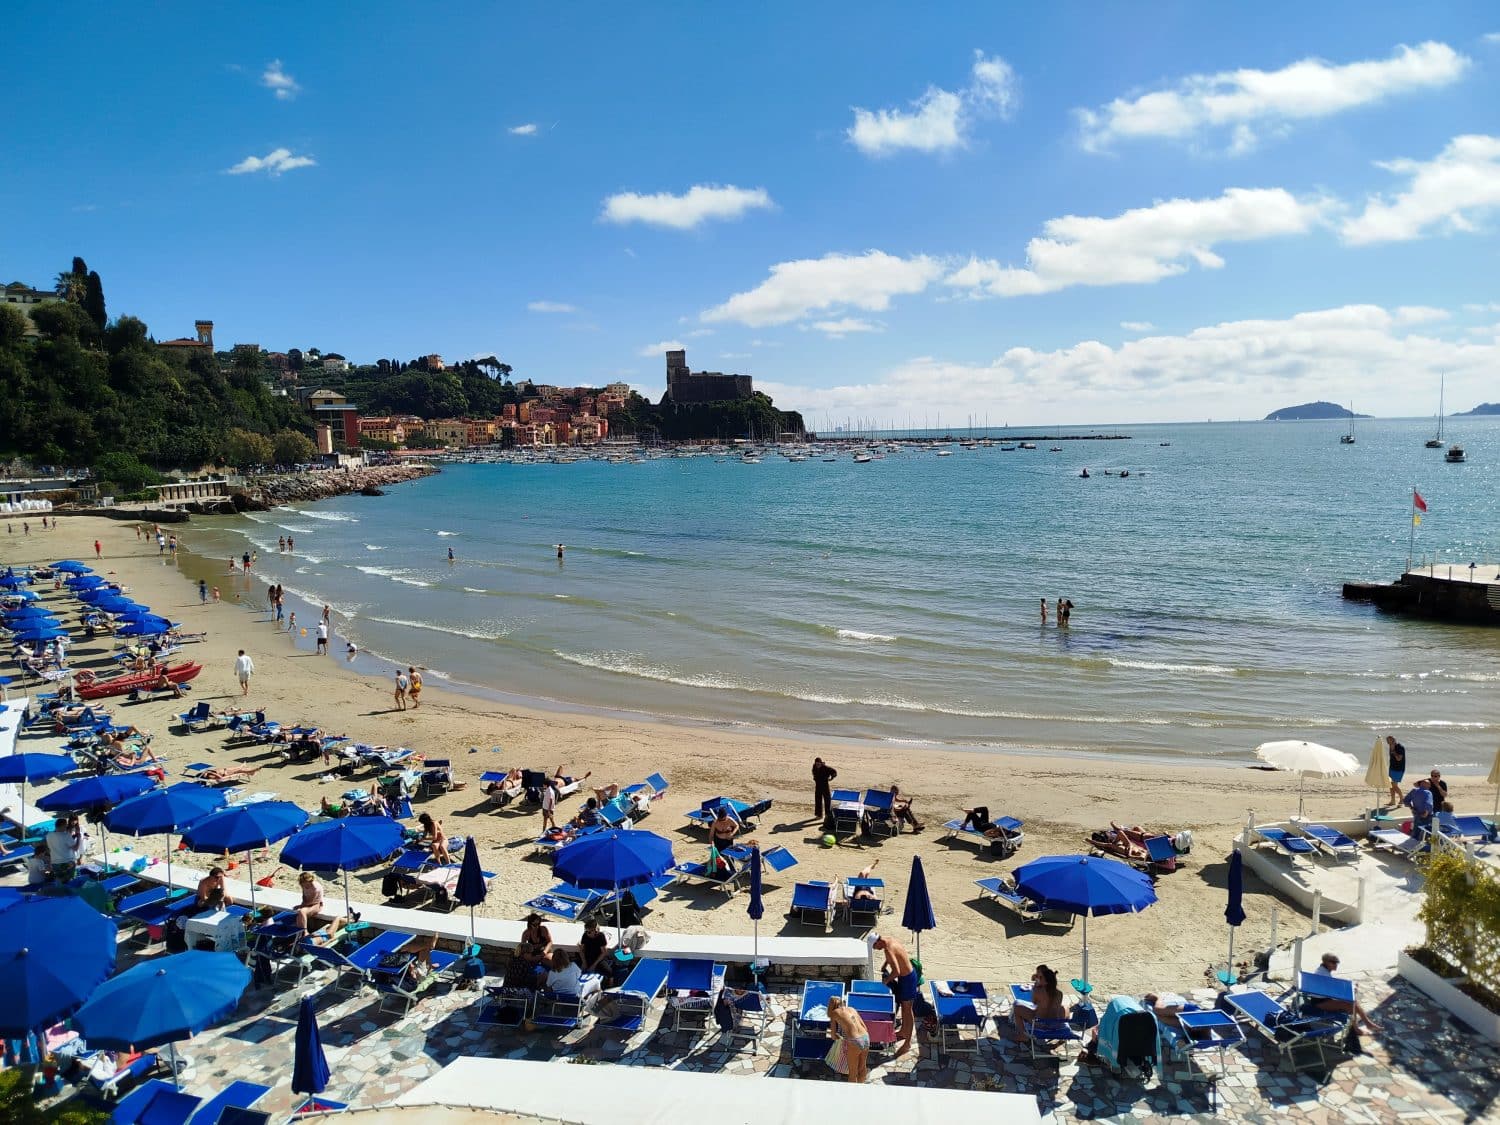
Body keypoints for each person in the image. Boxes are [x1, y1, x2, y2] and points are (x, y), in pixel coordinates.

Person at [873, 934, 920, 1056]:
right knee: (904, 1010)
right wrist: (884, 965)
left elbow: (896, 971)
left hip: (907, 979)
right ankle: (904, 1032)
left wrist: (886, 981)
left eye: (875, 947)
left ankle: (907, 1043)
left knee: (907, 1011)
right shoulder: (889, 940)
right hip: (908, 976)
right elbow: (894, 957)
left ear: (878, 942)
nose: (875, 949)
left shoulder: (888, 950)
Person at [1313, 953, 1380, 1031]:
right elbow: (1334, 992)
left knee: (1353, 1002)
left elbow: (1333, 987)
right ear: (1326, 962)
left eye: (1337, 962)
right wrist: (1351, 991)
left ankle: (1366, 1024)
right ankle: (1359, 1027)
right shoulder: (1323, 974)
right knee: (1350, 1005)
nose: (1336, 964)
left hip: (1325, 998)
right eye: (1333, 962)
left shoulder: (1323, 970)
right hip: (1319, 1002)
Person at [1010, 964, 1069, 1040]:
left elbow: (1034, 1003)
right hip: (1054, 1024)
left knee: (1017, 1007)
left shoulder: (1037, 991)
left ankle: (1022, 1035)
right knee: (1065, 1007)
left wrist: (1036, 986)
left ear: (1046, 982)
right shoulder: (1059, 993)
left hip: (1039, 1023)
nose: (1039, 979)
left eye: (1041, 978)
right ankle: (1063, 1036)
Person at [826, 995, 870, 1083]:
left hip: (854, 1041)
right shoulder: (852, 1009)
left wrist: (841, 1038)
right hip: (866, 1037)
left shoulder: (834, 1013)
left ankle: (853, 1094)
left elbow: (833, 1036)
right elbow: (865, 1027)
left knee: (852, 1073)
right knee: (862, 1067)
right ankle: (861, 1087)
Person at [518, 913, 553, 983]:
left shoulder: (543, 929)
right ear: (530, 924)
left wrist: (545, 952)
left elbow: (550, 942)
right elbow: (523, 949)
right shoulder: (526, 933)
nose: (537, 926)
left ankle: (552, 977)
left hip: (544, 951)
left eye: (538, 924)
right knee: (527, 962)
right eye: (534, 925)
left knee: (550, 960)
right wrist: (532, 958)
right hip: (533, 952)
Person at [1403, 778, 1435, 843]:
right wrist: (1426, 812)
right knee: (1427, 832)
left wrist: (1411, 807)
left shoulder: (1414, 790)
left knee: (1416, 830)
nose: (1430, 786)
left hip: (1416, 813)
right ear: (1428, 786)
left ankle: (1413, 845)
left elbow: (1405, 800)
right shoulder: (1428, 792)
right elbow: (1429, 804)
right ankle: (1422, 847)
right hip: (1426, 815)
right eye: (1429, 785)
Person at [812, 757, 837, 822]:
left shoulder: (825, 768)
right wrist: (815, 778)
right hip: (818, 786)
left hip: (825, 786)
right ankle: (819, 815)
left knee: (827, 801)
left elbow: (834, 772)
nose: (818, 765)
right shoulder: (814, 767)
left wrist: (831, 778)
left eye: (819, 764)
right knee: (818, 800)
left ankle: (827, 816)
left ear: (821, 763)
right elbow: (814, 773)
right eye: (816, 764)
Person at [1386, 735, 1407, 806]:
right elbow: (1391, 757)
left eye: (1389, 741)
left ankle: (1402, 799)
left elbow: (1399, 759)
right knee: (1390, 785)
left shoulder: (1399, 747)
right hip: (1392, 768)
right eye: (1387, 741)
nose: (1388, 743)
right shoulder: (1391, 747)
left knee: (1394, 786)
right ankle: (1393, 801)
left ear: (1394, 740)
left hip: (1398, 769)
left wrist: (1394, 752)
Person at [196, 763, 264, 783]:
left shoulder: (208, 773)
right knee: (240, 770)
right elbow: (220, 778)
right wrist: (213, 773)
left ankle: (249, 770)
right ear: (203, 776)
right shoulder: (210, 776)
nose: (204, 772)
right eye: (203, 773)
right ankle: (253, 770)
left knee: (239, 768)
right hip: (226, 774)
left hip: (226, 770)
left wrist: (209, 771)